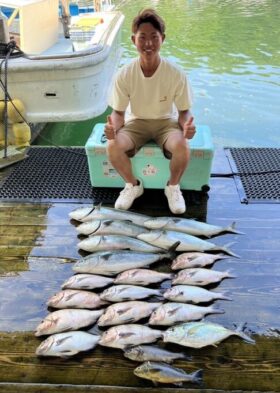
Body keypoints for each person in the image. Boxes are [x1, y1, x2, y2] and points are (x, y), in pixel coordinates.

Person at [105, 8, 196, 214]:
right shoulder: (125, 74)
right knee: (113, 145)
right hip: (136, 122)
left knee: (182, 144)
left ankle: (172, 187)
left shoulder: (175, 73)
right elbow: (118, 113)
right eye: (142, 37)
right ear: (133, 40)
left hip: (166, 123)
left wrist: (187, 126)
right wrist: (113, 128)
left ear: (162, 38)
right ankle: (133, 185)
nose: (148, 44)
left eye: (154, 37)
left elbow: (184, 112)